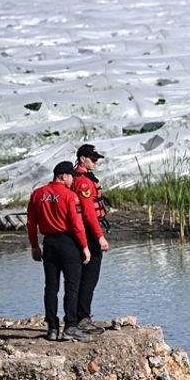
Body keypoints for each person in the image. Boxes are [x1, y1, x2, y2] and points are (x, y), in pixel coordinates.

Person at [28, 161, 91, 341]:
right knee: (72, 286)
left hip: (49, 243)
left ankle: (52, 327)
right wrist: (85, 247)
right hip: (68, 243)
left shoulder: (37, 194)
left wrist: (34, 245)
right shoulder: (70, 196)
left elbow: (31, 223)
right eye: (71, 176)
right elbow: (76, 225)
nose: (73, 180)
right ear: (63, 176)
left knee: (51, 286)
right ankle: (70, 326)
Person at [71, 143, 110, 335]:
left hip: (77, 233)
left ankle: (76, 317)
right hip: (87, 232)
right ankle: (83, 318)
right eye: (92, 159)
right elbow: (88, 212)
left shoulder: (76, 178)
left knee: (77, 278)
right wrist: (100, 236)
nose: (95, 162)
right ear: (82, 159)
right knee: (89, 278)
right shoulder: (83, 182)